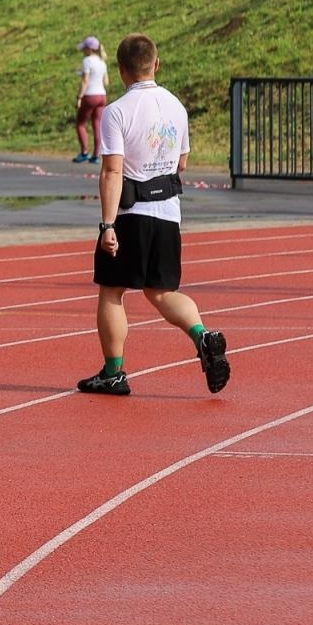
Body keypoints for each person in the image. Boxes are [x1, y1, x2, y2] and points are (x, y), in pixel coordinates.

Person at [79, 32, 229, 397]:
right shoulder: (177, 107)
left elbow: (113, 171)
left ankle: (114, 373)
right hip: (168, 213)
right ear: (156, 64)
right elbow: (182, 162)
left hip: (131, 212)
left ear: (121, 69)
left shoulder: (117, 112)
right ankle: (202, 335)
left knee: (113, 291)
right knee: (162, 292)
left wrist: (107, 224)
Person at [75, 34, 109, 164]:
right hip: (102, 95)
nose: (83, 51)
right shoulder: (102, 61)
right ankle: (96, 155)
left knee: (80, 123)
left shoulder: (87, 61)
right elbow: (106, 82)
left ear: (89, 49)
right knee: (97, 124)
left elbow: (85, 81)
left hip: (90, 95)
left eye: (84, 48)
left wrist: (79, 97)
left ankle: (84, 152)